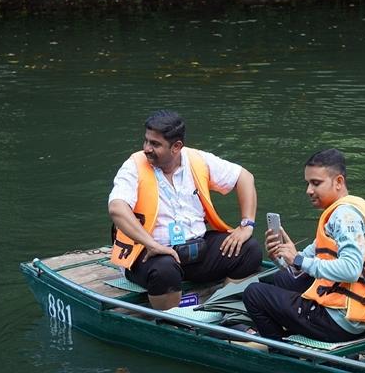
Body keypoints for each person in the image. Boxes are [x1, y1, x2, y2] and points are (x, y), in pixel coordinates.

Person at [108, 110, 262, 310]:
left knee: (249, 249)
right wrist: (152, 245)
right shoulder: (133, 166)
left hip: (195, 250)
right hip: (147, 254)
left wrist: (247, 224)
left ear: (176, 147)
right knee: (165, 270)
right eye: (146, 141)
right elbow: (117, 208)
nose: (146, 148)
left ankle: (220, 306)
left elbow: (245, 177)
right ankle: (171, 321)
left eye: (155, 144)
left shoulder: (198, 160)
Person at [243, 149, 365, 342]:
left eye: (316, 183)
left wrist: (298, 259)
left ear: (338, 182)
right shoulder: (351, 209)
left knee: (253, 294)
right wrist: (280, 256)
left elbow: (351, 270)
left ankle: (281, 350)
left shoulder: (344, 217)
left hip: (341, 322)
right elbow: (302, 264)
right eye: (308, 183)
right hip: (360, 316)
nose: (309, 190)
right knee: (281, 279)